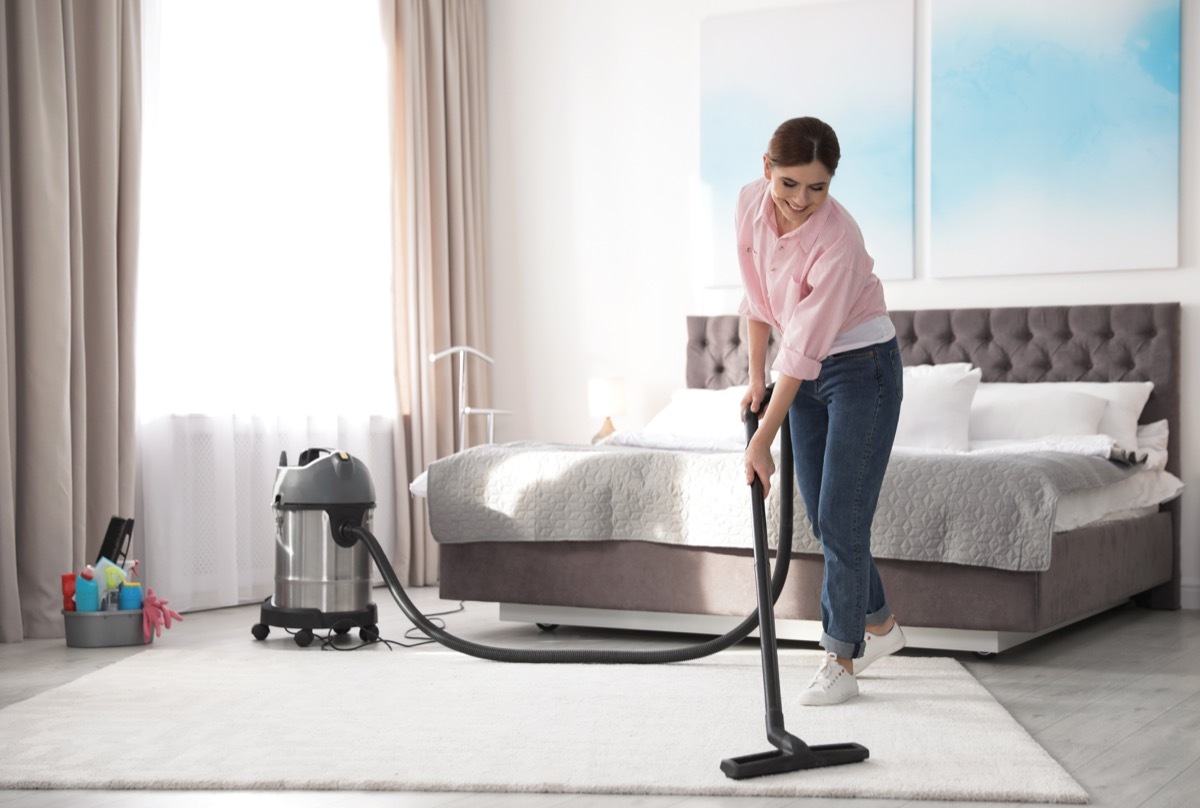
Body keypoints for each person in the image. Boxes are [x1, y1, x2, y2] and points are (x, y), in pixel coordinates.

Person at [736, 116, 906, 706]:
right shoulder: (749, 205)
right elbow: (758, 300)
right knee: (827, 513)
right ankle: (880, 625)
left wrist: (762, 440)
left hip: (863, 368)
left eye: (818, 188)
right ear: (767, 169)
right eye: (789, 184)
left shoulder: (839, 238)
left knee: (840, 511)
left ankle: (841, 657)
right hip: (797, 373)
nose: (802, 201)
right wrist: (756, 379)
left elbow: (806, 345)